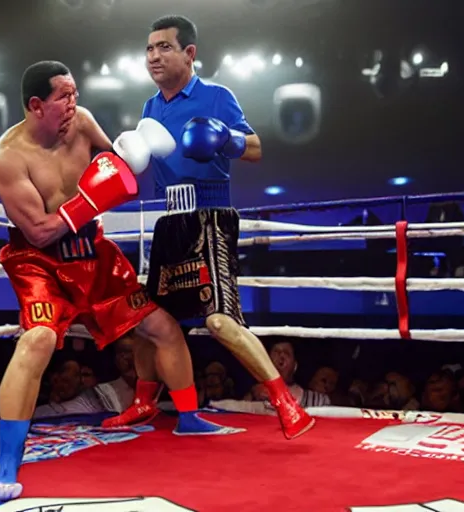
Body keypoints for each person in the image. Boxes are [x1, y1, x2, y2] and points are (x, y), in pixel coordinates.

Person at [0, 60, 238, 503]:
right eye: (63, 96)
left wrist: (130, 154)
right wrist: (89, 200)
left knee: (162, 327)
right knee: (38, 340)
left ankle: (190, 417)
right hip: (40, 263)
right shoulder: (7, 156)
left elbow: (116, 169)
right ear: (36, 105)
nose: (73, 103)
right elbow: (40, 231)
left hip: (93, 255)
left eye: (75, 93)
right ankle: (7, 461)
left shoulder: (81, 121)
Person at [102, 16, 315, 440]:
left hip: (210, 218)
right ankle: (145, 401)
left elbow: (254, 148)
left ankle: (286, 402)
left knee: (219, 321)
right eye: (149, 49)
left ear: (189, 53)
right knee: (149, 317)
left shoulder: (217, 96)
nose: (153, 56)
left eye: (164, 47)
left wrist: (226, 140)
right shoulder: (151, 107)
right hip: (168, 221)